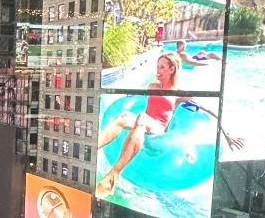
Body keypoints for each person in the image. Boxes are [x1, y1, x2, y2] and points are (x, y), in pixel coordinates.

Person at [96, 51, 243, 197]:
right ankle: (92, 146)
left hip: (158, 129)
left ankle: (112, 178)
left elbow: (208, 110)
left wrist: (227, 135)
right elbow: (136, 98)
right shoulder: (152, 86)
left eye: (162, 67)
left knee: (141, 117)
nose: (158, 71)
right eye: (157, 66)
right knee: (124, 116)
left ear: (172, 69)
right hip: (145, 122)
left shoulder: (178, 92)